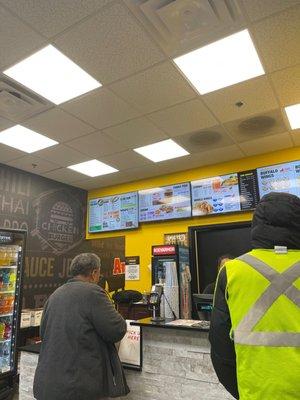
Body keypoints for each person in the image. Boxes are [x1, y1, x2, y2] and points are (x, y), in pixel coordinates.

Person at [209, 192, 300, 400]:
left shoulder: (231, 271)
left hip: (255, 391)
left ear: (257, 223)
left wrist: (243, 391)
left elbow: (220, 348)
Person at [33, 253, 129, 400]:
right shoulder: (93, 293)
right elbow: (117, 330)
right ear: (94, 273)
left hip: (48, 383)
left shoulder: (55, 295)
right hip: (77, 386)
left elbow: (43, 333)